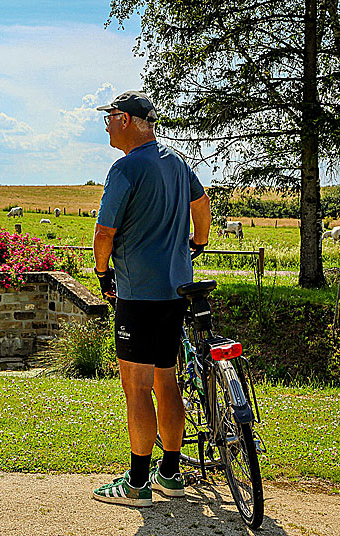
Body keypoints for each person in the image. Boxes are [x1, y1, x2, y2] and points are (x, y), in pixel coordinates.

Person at [91, 91, 211, 507]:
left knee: (136, 387)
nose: (106, 125)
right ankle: (171, 473)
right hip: (175, 290)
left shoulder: (124, 168)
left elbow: (104, 233)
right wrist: (198, 242)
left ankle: (138, 483)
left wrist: (102, 273)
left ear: (125, 119)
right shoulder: (176, 161)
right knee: (167, 379)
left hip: (138, 294)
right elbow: (202, 203)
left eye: (109, 118)